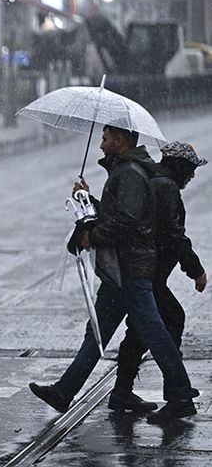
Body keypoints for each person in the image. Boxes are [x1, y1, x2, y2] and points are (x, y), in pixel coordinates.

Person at [29, 125, 197, 424]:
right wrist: (86, 199)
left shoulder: (130, 172)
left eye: (105, 138)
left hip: (131, 269)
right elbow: (116, 213)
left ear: (120, 140)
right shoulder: (124, 170)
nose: (101, 145)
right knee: (97, 332)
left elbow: (127, 221)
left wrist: (93, 237)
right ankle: (64, 392)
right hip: (120, 269)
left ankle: (181, 396)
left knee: (154, 332)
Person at [108, 142, 207, 412]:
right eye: (189, 168)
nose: (192, 175)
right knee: (170, 320)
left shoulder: (154, 180)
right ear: (177, 165)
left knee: (140, 330)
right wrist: (195, 269)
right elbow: (172, 234)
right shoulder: (166, 187)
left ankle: (122, 391)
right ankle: (178, 397)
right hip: (148, 273)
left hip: (144, 271)